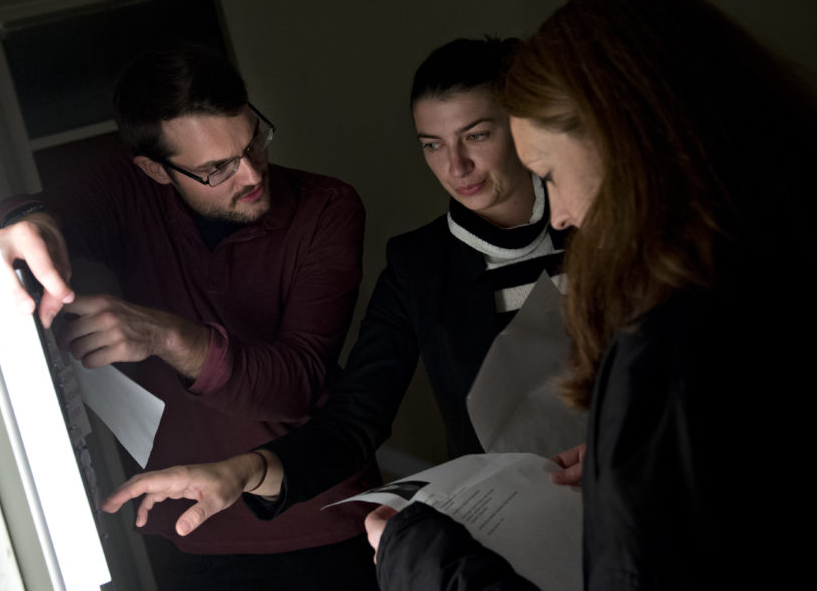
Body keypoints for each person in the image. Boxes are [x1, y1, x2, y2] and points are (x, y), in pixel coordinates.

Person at [366, 0, 816, 589]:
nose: (561, 218)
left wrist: (413, 554)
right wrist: (621, 468)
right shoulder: (760, 262)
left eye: (547, 172)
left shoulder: (669, 334)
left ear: (626, 140)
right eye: (433, 145)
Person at [101, 38, 573, 539]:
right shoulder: (419, 267)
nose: (455, 167)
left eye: (476, 136)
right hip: (525, 529)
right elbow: (353, 422)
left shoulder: (609, 221)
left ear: (523, 124)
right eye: (431, 144)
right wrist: (244, 471)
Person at [0, 41, 380, 590]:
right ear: (155, 169)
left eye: (254, 143)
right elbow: (41, 213)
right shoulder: (127, 193)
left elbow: (297, 382)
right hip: (185, 534)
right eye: (217, 168)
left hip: (317, 520)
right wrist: (28, 223)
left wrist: (163, 335)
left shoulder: (328, 206)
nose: (251, 175)